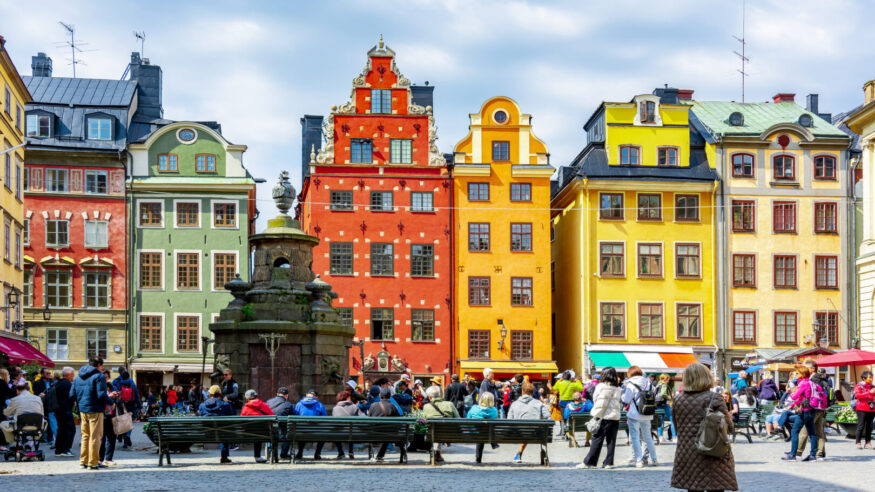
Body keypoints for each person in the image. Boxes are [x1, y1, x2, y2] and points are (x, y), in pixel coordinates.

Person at [670, 363, 738, 491]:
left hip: (687, 453)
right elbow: (729, 428)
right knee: (716, 487)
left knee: (693, 487)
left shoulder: (678, 399)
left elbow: (677, 426)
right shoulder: (715, 398)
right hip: (713, 450)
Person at [70, 357, 118, 470]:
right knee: (95, 437)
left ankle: (83, 461)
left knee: (85, 436)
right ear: (99, 365)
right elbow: (101, 394)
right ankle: (93, 462)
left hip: (82, 410)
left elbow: (71, 395)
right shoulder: (99, 376)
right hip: (95, 409)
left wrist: (80, 402)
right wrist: (111, 402)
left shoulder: (78, 377)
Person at [578, 367, 623, 469]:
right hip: (614, 416)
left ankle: (589, 462)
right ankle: (609, 463)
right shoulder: (618, 388)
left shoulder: (600, 386)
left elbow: (595, 398)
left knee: (597, 439)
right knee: (611, 441)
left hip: (602, 416)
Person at [622, 366, 658, 467]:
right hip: (647, 412)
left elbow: (626, 399)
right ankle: (654, 459)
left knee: (635, 437)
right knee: (648, 437)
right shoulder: (648, 383)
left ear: (630, 374)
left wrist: (622, 396)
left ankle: (638, 460)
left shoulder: (630, 384)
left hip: (635, 413)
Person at [781, 365, 818, 461]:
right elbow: (804, 398)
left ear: (802, 374)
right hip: (812, 410)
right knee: (812, 433)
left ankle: (793, 455)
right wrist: (793, 405)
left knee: (794, 431)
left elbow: (794, 397)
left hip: (805, 411)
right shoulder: (810, 382)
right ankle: (813, 455)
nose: (795, 375)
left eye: (797, 373)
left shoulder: (803, 384)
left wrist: (792, 390)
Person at [507, 382, 549, 464]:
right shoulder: (539, 403)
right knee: (529, 430)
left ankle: (518, 454)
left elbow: (509, 420)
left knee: (524, 430)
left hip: (517, 434)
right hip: (535, 434)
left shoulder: (514, 404)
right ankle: (519, 454)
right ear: (533, 393)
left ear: (522, 392)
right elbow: (548, 417)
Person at [797, 360, 828, 459]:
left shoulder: (813, 379)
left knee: (805, 429)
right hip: (821, 407)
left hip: (813, 407)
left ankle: (797, 452)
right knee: (819, 431)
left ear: (812, 369)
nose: (804, 370)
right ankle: (820, 452)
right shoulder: (822, 378)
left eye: (806, 367)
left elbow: (808, 394)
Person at [421, 384, 460, 463]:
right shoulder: (450, 404)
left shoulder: (426, 406)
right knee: (440, 429)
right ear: (441, 395)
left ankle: (436, 454)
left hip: (432, 434)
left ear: (429, 397)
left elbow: (423, 421)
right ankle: (438, 454)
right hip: (449, 434)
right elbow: (458, 419)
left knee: (434, 430)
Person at [1, 383, 45, 451]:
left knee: (3, 424)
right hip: (37, 425)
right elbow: (41, 413)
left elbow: (6, 413)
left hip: (20, 425)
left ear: (18, 390)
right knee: (44, 423)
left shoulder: (15, 399)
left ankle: (15, 442)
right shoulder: (38, 398)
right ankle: (30, 444)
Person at [367, 387, 407, 463]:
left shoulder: (373, 405)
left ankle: (380, 456)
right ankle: (403, 455)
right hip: (390, 434)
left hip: (375, 433)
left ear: (380, 396)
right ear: (389, 396)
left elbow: (369, 420)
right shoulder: (392, 406)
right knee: (389, 433)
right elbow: (399, 421)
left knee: (386, 433)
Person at [198, 385, 234, 463]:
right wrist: (226, 402)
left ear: (210, 394)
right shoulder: (225, 404)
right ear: (220, 394)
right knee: (224, 431)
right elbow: (231, 415)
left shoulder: (202, 405)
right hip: (222, 433)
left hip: (205, 433)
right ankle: (224, 457)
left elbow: (200, 414)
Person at [239, 389, 273, 463]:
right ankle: (259, 456)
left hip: (248, 434)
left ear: (247, 399)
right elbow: (272, 416)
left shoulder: (245, 408)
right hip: (264, 434)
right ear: (256, 396)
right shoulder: (264, 405)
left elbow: (241, 422)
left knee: (255, 431)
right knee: (260, 432)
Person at [293, 389, 328, 461]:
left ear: (306, 395)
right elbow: (325, 419)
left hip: (301, 432)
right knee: (323, 434)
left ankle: (300, 452)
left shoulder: (299, 404)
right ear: (316, 397)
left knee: (302, 430)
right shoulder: (320, 405)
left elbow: (294, 416)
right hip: (316, 433)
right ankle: (317, 453)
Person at [466, 392, 499, 463]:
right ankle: (493, 442)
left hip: (474, 433)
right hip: (488, 434)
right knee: (486, 430)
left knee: (480, 434)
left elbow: (468, 418)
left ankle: (478, 458)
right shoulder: (494, 410)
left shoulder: (474, 408)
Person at [111, 369, 139, 448]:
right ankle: (127, 436)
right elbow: (136, 394)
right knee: (129, 422)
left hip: (121, 404)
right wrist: (139, 406)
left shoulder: (117, 382)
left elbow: (114, 390)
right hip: (131, 405)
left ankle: (123, 437)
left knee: (122, 421)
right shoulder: (131, 382)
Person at [332, 390, 363, 459]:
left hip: (339, 433)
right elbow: (363, 417)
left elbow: (335, 423)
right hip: (352, 433)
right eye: (350, 397)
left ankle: (341, 452)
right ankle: (350, 452)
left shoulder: (335, 408)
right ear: (347, 397)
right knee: (351, 429)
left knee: (336, 432)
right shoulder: (354, 407)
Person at [52, 367, 76, 457]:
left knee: (61, 430)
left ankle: (59, 449)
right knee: (70, 429)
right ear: (68, 375)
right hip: (65, 410)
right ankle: (65, 449)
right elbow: (71, 396)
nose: (73, 376)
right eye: (72, 374)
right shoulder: (67, 384)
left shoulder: (59, 382)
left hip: (58, 410)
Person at [98, 369, 118, 466]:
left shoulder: (112, 386)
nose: (105, 379)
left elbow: (117, 400)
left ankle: (109, 458)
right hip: (102, 414)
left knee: (112, 436)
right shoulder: (99, 386)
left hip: (112, 415)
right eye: (103, 377)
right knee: (102, 437)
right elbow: (99, 398)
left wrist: (117, 397)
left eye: (106, 377)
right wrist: (109, 396)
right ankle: (100, 459)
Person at [853, 370, 875, 449]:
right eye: (870, 377)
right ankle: (858, 442)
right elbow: (858, 395)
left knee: (870, 426)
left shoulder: (873, 387)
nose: (871, 379)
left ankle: (868, 442)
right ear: (864, 378)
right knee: (861, 425)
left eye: (871, 377)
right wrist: (869, 392)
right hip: (861, 408)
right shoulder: (859, 386)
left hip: (871, 408)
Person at [655, 373, 677, 443]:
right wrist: (669, 397)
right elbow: (663, 394)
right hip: (664, 404)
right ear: (665, 379)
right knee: (673, 419)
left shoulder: (658, 384)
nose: (668, 381)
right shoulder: (664, 384)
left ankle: (661, 437)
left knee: (660, 421)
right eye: (668, 379)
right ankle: (674, 437)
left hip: (657, 404)